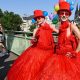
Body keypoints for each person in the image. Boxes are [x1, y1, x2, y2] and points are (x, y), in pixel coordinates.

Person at [33, 2, 80, 80]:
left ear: (69, 15)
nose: (64, 15)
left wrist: (76, 52)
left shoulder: (72, 26)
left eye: (66, 14)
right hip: (58, 57)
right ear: (59, 15)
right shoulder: (61, 27)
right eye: (62, 13)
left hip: (69, 58)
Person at [7, 10, 58, 80]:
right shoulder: (36, 30)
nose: (38, 20)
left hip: (50, 51)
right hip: (38, 52)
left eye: (39, 18)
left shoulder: (50, 26)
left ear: (43, 18)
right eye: (36, 18)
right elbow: (34, 40)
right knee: (36, 70)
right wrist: (34, 40)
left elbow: (59, 32)